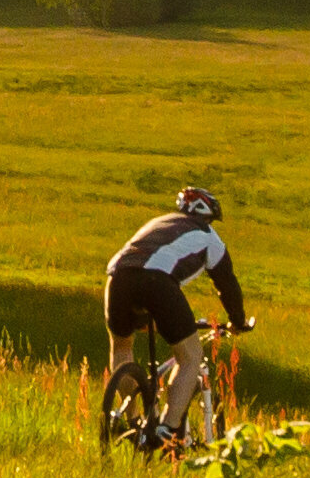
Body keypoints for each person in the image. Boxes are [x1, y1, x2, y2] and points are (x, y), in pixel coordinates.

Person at [103, 186, 253, 449]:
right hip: (157, 281)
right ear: (209, 217)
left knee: (122, 346)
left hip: (117, 278)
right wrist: (237, 321)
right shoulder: (209, 237)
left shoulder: (157, 223)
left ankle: (132, 420)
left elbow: (138, 263)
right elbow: (227, 284)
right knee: (190, 356)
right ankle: (168, 430)